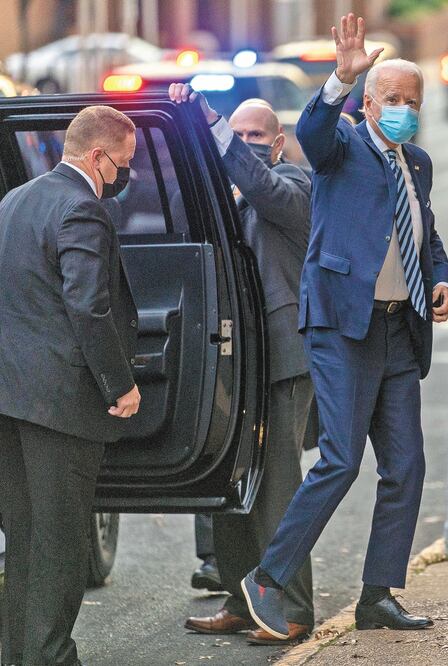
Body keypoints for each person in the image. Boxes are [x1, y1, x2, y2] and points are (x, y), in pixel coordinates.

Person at [239, 13, 448, 639]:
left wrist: (441, 279)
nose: (405, 110)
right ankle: (267, 578)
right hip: (341, 327)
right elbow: (311, 129)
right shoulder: (339, 148)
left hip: (398, 330)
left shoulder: (416, 162)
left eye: (414, 101)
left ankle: (377, 594)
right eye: (394, 99)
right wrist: (338, 76)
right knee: (339, 459)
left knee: (407, 465)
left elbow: (427, 233)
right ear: (369, 102)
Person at [169, 85, 316, 645]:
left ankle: (292, 609)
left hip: (280, 359)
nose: (249, 144)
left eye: (257, 136)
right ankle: (239, 597)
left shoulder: (295, 184)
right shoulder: (218, 192)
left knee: (278, 487)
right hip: (229, 359)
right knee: (226, 483)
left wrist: (217, 128)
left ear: (277, 144)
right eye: (242, 134)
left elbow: (266, 191)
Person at [0, 105, 141, 666]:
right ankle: (54, 657)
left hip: (9, 399)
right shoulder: (82, 207)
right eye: (123, 163)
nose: (125, 175)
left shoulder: (13, 202)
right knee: (60, 542)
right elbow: (88, 304)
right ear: (97, 155)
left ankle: (18, 655)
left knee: (26, 539)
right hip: (61, 404)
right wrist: (119, 384)